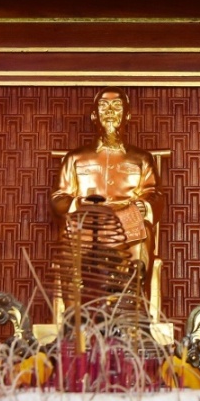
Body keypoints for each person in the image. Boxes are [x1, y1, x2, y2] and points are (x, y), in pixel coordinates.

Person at [52, 89, 161, 298]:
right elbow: (59, 197)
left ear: (127, 115)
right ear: (94, 116)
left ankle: (132, 302)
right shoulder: (75, 158)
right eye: (104, 106)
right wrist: (77, 204)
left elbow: (153, 192)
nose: (110, 111)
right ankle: (74, 312)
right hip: (86, 223)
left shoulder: (141, 158)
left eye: (117, 106)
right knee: (70, 233)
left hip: (126, 224)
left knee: (143, 231)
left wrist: (144, 205)